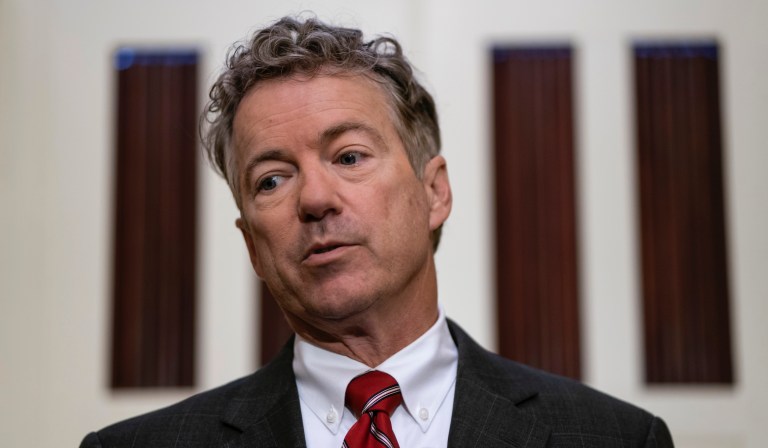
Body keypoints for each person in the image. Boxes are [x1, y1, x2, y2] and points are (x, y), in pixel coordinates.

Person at [81, 16, 674, 448]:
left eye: (349, 157)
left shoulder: (614, 438)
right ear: (251, 247)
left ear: (434, 192)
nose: (314, 198)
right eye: (271, 180)